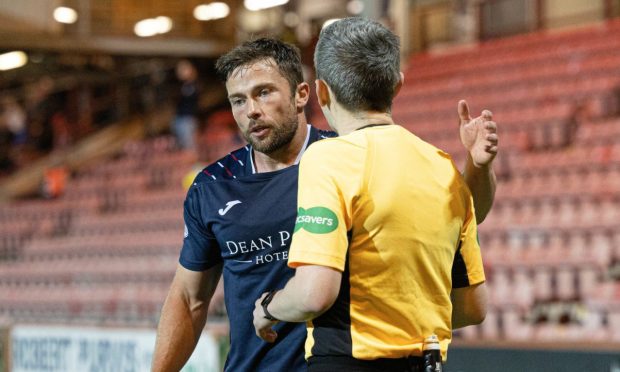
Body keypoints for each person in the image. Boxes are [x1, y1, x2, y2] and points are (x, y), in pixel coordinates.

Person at [152, 36, 497, 372]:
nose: (251, 111)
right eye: (238, 101)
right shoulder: (214, 187)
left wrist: (477, 170)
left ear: (304, 94)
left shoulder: (349, 157)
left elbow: (462, 212)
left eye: (264, 93)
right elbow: (189, 299)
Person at [252, 18, 490, 372]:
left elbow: (315, 293)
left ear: (321, 92)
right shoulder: (442, 166)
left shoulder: (328, 157)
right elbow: (472, 306)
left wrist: (269, 307)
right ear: (397, 86)